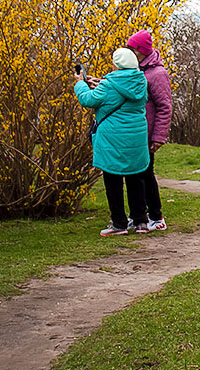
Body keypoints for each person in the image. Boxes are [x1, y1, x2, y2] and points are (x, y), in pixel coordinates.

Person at [73, 48, 150, 236]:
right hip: (136, 136)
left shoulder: (110, 85)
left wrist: (80, 84)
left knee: (113, 179)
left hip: (113, 138)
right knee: (135, 177)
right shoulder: (141, 81)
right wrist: (100, 83)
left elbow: (88, 100)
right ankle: (141, 221)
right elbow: (121, 90)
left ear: (117, 64)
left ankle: (119, 224)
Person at [125, 30, 172, 232]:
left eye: (132, 49)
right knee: (135, 175)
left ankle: (156, 216)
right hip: (137, 133)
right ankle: (139, 215)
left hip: (147, 133)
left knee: (145, 174)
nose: (129, 52)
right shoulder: (137, 69)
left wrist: (158, 137)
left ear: (141, 50)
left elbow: (164, 106)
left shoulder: (157, 74)